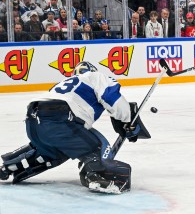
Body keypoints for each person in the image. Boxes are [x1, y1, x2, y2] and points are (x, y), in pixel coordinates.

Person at [0, 61, 150, 194]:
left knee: (58, 149)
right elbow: (111, 98)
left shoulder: (64, 84)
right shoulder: (94, 76)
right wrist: (128, 120)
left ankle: (10, 166)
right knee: (97, 147)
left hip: (33, 121)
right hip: (60, 119)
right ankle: (97, 175)